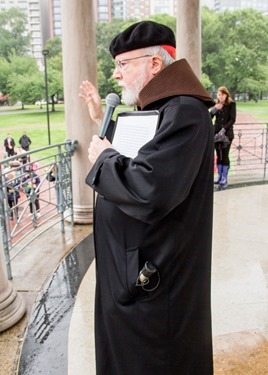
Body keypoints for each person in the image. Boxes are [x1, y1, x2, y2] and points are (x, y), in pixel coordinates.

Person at [80, 21, 215, 375]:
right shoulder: (164, 107)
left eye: (123, 64)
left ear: (155, 64)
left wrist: (105, 159)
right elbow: (137, 160)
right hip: (137, 271)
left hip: (155, 280)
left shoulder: (184, 110)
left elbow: (151, 189)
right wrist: (101, 120)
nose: (116, 74)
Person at [211, 86, 236, 189]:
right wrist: (214, 109)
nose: (219, 96)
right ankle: (220, 177)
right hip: (216, 135)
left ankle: (224, 179)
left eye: (221, 94)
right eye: (218, 94)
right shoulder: (217, 105)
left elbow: (232, 119)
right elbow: (209, 116)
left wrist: (224, 129)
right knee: (218, 155)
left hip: (227, 134)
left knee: (225, 155)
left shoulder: (231, 104)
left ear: (226, 95)